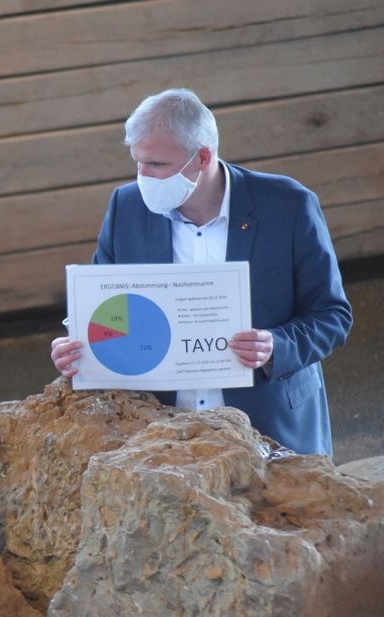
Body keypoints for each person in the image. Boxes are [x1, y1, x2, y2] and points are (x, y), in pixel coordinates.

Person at [50, 89, 352, 456]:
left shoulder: (288, 205)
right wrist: (78, 347)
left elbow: (332, 316)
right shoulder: (126, 206)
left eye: (157, 165)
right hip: (163, 434)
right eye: (138, 162)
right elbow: (108, 309)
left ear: (203, 157)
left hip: (271, 427)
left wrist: (277, 346)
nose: (143, 177)